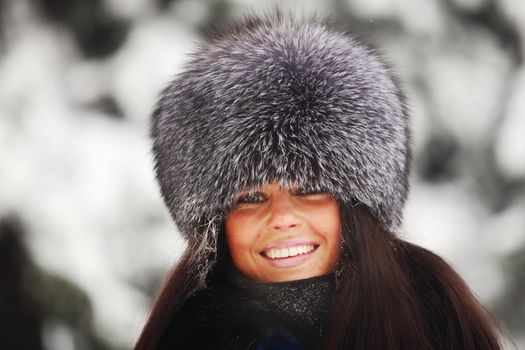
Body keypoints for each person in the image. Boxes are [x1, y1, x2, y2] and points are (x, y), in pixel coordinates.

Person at [135, 13, 505, 350]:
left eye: (309, 189)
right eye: (250, 197)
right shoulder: (183, 338)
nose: (282, 217)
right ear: (216, 227)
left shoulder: (437, 317)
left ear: (355, 208)